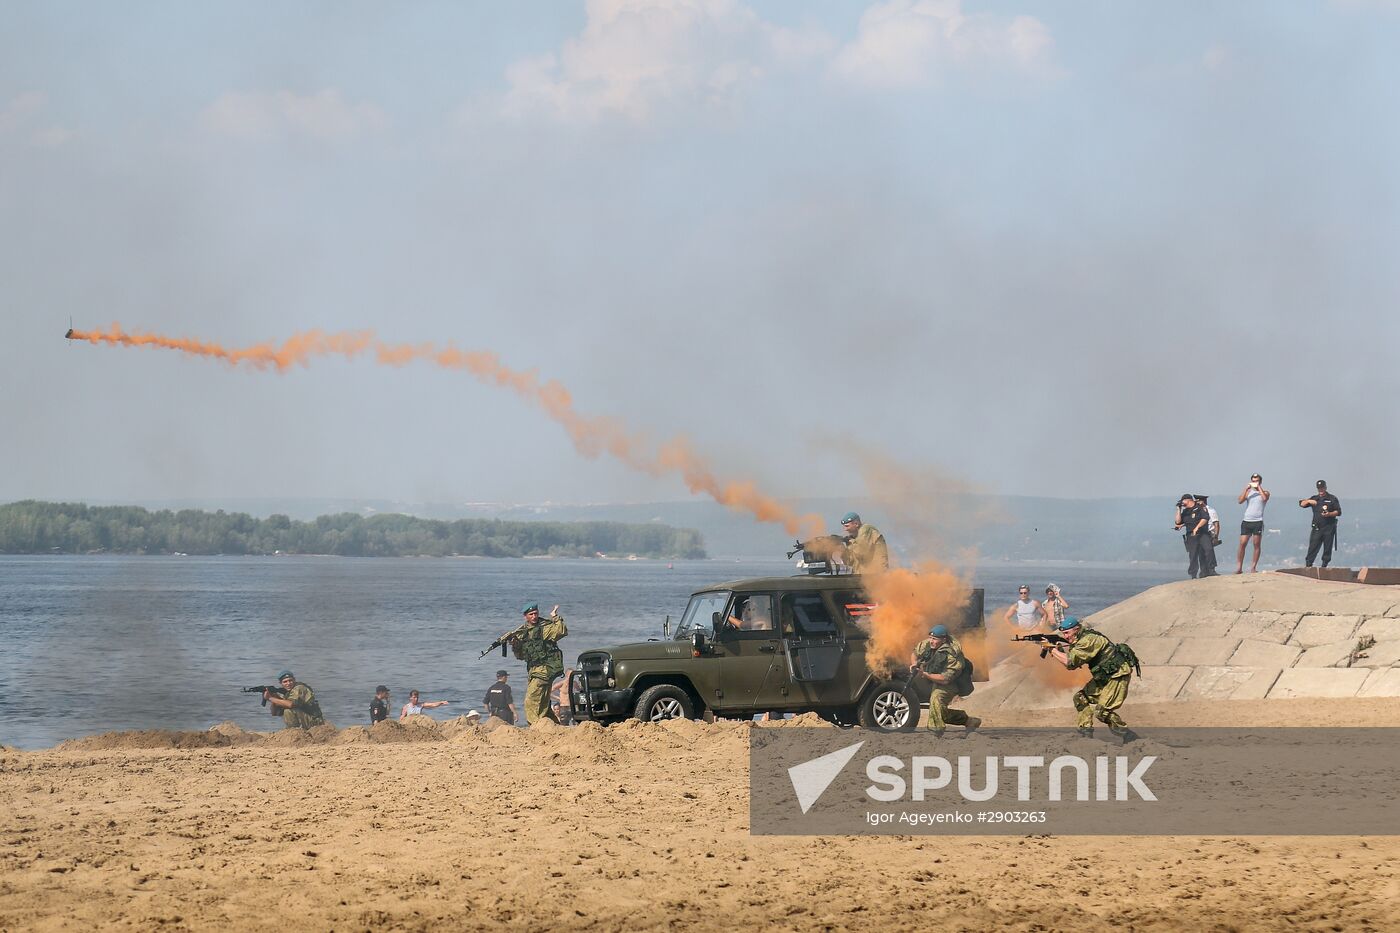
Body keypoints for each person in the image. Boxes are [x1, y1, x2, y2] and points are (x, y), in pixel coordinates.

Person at [1045, 617, 1139, 743]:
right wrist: (1057, 650)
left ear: (1076, 629)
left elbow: (1070, 662)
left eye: (1067, 633)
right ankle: (1086, 734)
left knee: (1102, 712)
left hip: (1117, 675)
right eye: (1063, 634)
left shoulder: (1088, 640)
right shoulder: (1080, 639)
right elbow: (1072, 662)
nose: (1065, 636)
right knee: (1080, 698)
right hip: (1104, 676)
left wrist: (1052, 650)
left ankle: (1128, 736)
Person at [911, 624, 981, 737]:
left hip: (951, 684)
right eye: (930, 638)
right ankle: (969, 721)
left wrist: (925, 674)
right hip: (934, 677)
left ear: (943, 640)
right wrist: (914, 664)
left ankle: (935, 731)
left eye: (935, 639)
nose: (931, 641)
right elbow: (915, 652)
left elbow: (945, 679)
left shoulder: (953, 655)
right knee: (939, 712)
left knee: (936, 698)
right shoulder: (929, 643)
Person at [511, 602, 568, 725]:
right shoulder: (523, 632)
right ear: (525, 616)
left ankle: (535, 728)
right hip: (533, 671)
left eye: (535, 613)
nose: (534, 616)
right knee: (543, 704)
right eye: (531, 614)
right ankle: (554, 726)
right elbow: (521, 656)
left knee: (530, 701)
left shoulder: (544, 628)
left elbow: (561, 631)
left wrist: (555, 616)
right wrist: (516, 646)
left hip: (544, 670)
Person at [1299, 480, 1342, 568]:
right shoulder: (1315, 498)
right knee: (1313, 547)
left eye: (1322, 488)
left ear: (1325, 488)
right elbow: (1302, 504)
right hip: (1317, 528)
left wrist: (1329, 514)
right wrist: (1309, 501)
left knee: (1327, 548)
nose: (1321, 490)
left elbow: (1338, 512)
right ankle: (1308, 565)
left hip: (1328, 527)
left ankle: (1324, 565)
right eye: (1319, 489)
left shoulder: (1332, 498)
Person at [1236, 473, 1270, 573]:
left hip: (1257, 521)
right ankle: (1239, 567)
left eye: (1257, 481)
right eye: (1253, 481)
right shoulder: (1248, 493)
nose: (1255, 482)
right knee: (1242, 543)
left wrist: (1258, 487)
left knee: (1256, 544)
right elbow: (1240, 501)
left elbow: (1264, 498)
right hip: (1247, 520)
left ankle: (1253, 567)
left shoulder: (1265, 492)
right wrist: (1246, 489)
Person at [1173, 493, 1211, 579]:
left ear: (1187, 500)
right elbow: (1178, 522)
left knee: (1208, 550)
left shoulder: (1199, 507)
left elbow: (1205, 518)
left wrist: (1197, 527)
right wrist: (1178, 509)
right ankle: (1193, 574)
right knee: (1193, 555)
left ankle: (1209, 570)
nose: (1182, 504)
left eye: (1183, 501)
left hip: (1202, 533)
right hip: (1190, 535)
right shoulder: (1185, 512)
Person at [1196, 494, 1220, 576]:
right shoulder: (1196, 511)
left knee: (1209, 551)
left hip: (1208, 532)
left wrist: (1216, 536)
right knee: (1200, 553)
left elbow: (1216, 524)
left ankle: (1211, 569)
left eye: (1198, 500)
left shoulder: (1211, 510)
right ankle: (1203, 571)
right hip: (1198, 533)